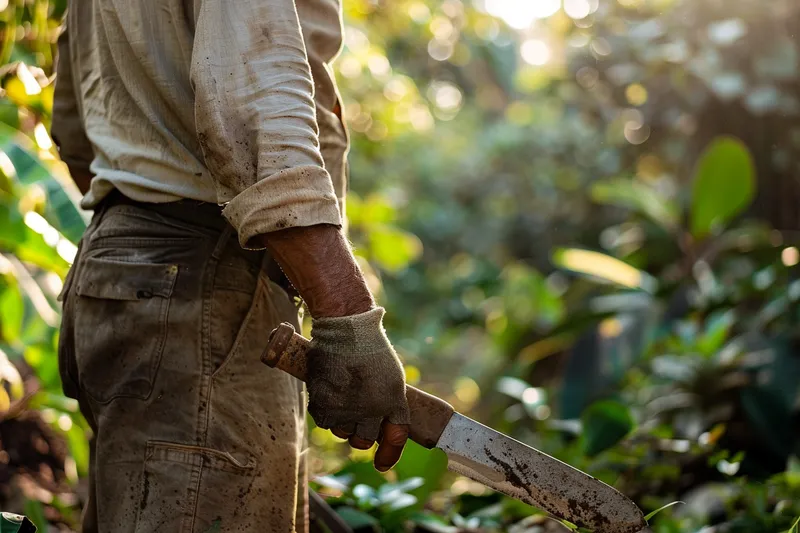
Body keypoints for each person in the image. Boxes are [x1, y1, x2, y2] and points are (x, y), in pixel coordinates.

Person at [52, 1, 411, 531]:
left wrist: (141, 249)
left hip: (121, 269)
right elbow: (254, 110)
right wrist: (348, 321)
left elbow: (72, 123)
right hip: (205, 277)